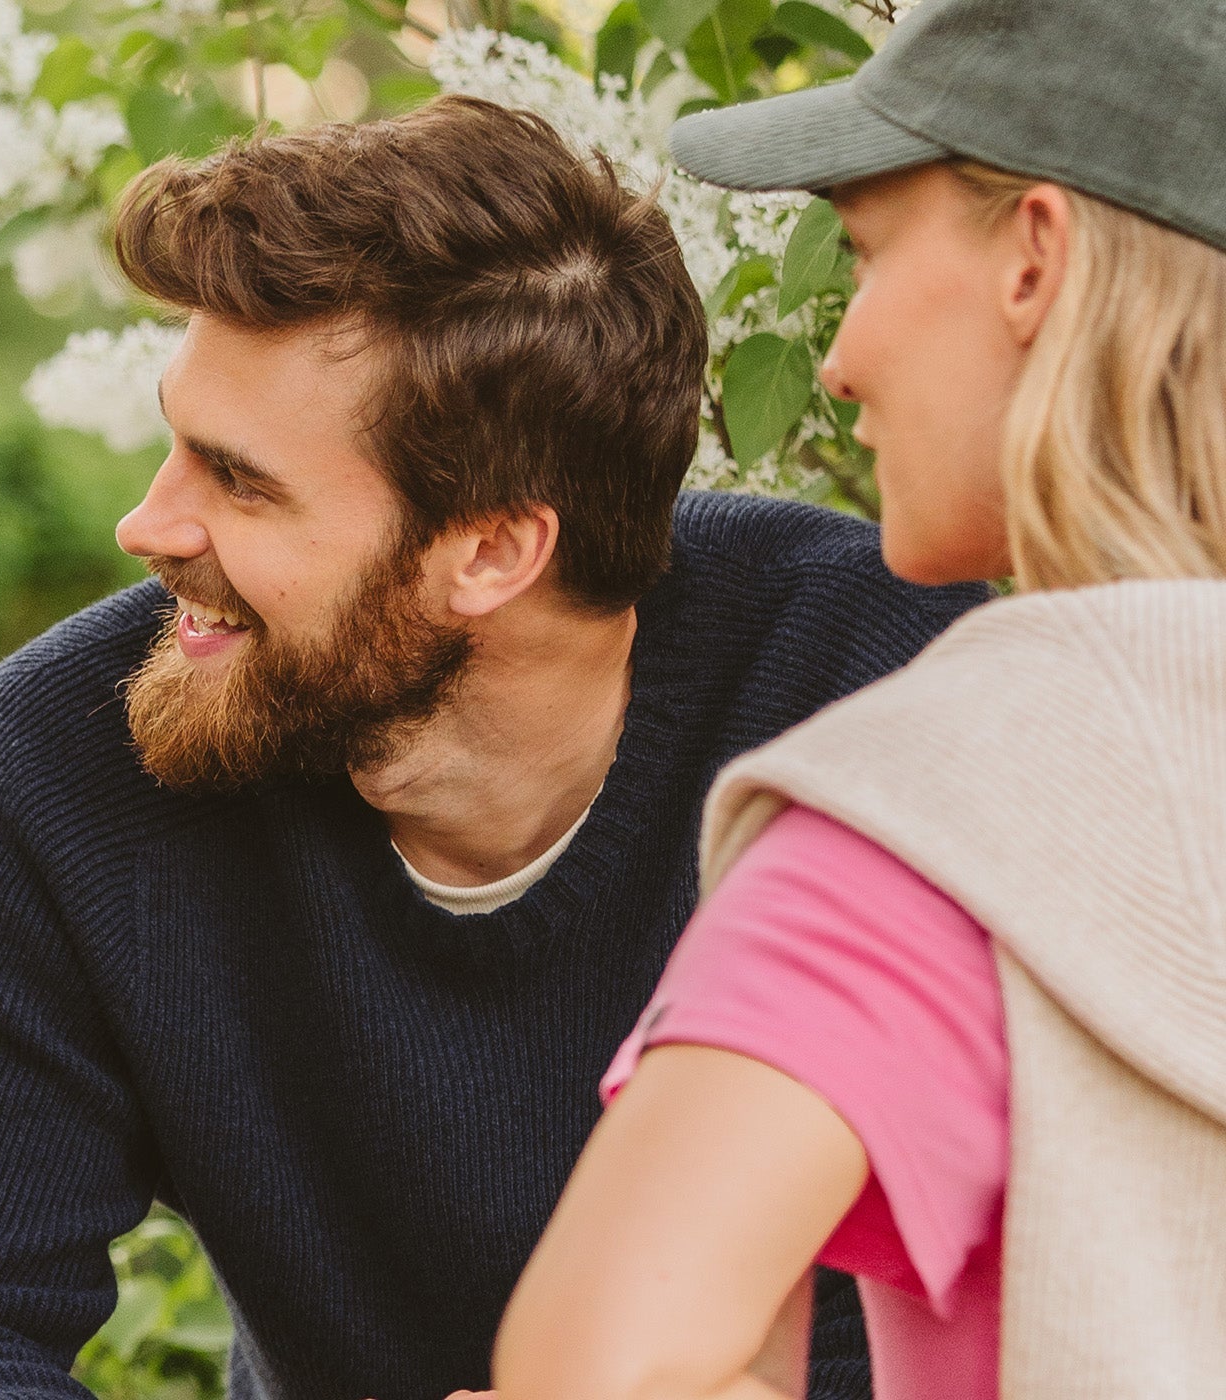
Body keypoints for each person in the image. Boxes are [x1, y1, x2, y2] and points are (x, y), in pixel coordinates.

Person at [0, 96, 992, 1400]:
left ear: (489, 551)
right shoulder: (70, 758)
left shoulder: (887, 693)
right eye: (174, 445)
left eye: (239, 480)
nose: (147, 527)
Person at [494, 1, 1226, 1396]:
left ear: (1035, 260)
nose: (838, 358)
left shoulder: (933, 823)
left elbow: (599, 1373)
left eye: (873, 255)